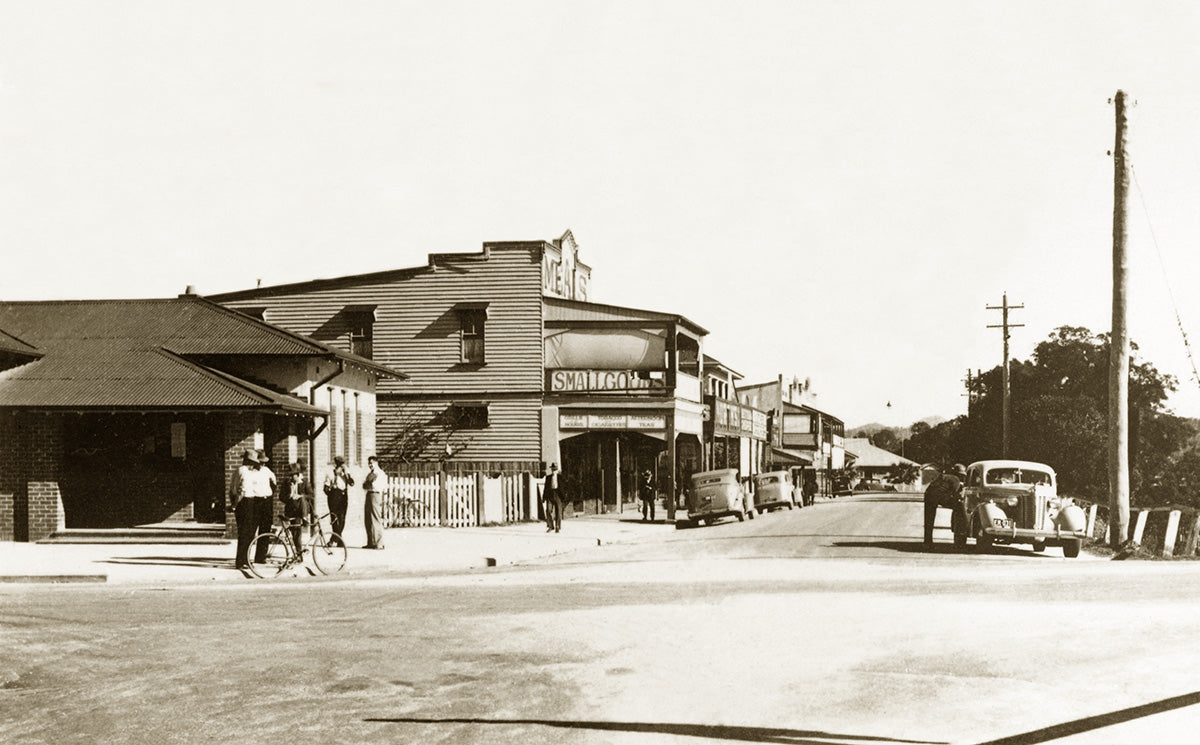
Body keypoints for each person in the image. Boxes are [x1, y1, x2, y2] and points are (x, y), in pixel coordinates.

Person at [924, 463, 967, 548]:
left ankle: (927, 542)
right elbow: (955, 494)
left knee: (929, 521)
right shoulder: (955, 479)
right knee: (959, 507)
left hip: (929, 495)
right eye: (961, 475)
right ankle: (959, 531)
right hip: (939, 497)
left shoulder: (944, 476)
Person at [280, 462, 312, 554]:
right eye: (289, 476)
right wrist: (290, 495)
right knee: (294, 533)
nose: (291, 478)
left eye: (293, 476)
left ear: (298, 475)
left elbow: (311, 495)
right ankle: (297, 553)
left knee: (297, 533)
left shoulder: (304, 483)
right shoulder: (287, 483)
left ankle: (298, 554)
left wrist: (300, 496)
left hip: (300, 510)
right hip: (290, 510)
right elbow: (281, 497)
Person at [323, 455, 354, 547]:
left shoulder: (345, 474)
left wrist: (345, 474)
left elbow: (351, 483)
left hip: (343, 495)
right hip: (334, 495)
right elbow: (325, 488)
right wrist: (332, 494)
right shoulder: (331, 473)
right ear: (336, 465)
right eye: (340, 465)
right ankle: (337, 539)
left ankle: (335, 538)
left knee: (342, 518)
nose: (341, 467)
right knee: (334, 518)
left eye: (342, 465)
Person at [362, 455, 387, 549]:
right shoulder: (370, 474)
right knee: (368, 519)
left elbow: (373, 485)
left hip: (375, 495)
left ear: (376, 463)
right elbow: (365, 485)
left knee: (375, 518)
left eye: (371, 463)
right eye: (369, 463)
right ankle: (370, 542)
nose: (370, 465)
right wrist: (368, 484)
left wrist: (369, 484)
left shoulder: (379, 473)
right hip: (369, 494)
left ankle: (379, 543)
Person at [543, 463, 562, 533]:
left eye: (555, 469)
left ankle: (557, 526)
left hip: (558, 494)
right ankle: (551, 526)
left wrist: (564, 496)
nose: (553, 470)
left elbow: (564, 487)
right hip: (550, 494)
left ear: (557, 470)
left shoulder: (560, 477)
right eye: (552, 469)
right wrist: (544, 497)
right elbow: (545, 488)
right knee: (548, 510)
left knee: (558, 511)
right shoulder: (548, 478)